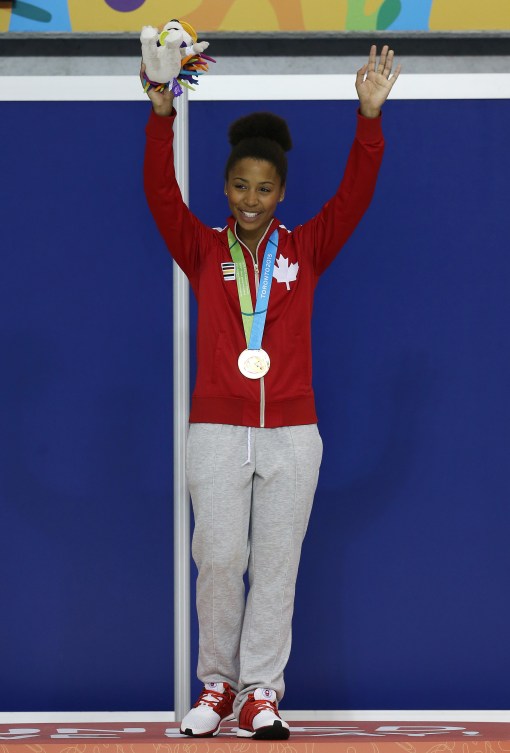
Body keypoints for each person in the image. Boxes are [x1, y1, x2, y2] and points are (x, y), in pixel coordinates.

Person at [142, 44, 400, 740]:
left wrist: (368, 118)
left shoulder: (306, 249)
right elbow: (161, 195)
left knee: (277, 564)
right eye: (239, 187)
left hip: (292, 431)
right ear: (224, 189)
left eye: (264, 188)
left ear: (280, 192)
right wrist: (161, 113)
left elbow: (355, 196)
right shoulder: (202, 251)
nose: (251, 199)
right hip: (218, 430)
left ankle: (260, 692)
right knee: (220, 556)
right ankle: (217, 684)